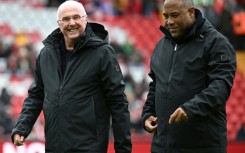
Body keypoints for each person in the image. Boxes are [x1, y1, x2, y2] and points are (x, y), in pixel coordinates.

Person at [11, 0, 132, 152]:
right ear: (58, 23)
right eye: (66, 19)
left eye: (76, 17)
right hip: (54, 146)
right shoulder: (46, 54)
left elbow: (118, 102)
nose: (72, 23)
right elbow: (36, 95)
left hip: (89, 147)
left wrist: (123, 148)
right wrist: (22, 127)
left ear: (85, 19)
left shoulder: (102, 53)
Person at [141, 0, 237, 153]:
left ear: (191, 12)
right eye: (166, 16)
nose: (169, 21)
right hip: (162, 146)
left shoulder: (217, 43)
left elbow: (220, 87)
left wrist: (190, 108)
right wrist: (148, 114)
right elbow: (155, 85)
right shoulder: (161, 45)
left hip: (202, 146)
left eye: (175, 15)